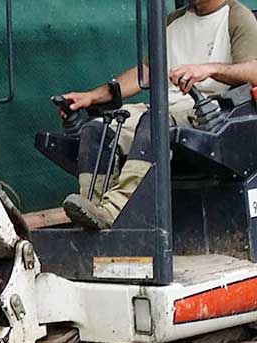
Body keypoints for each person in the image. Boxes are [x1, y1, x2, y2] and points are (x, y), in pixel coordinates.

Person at [60, 0, 257, 230]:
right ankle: (93, 210)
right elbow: (148, 71)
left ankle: (116, 211)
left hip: (210, 110)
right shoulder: (174, 21)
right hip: (167, 104)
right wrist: (93, 96)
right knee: (97, 129)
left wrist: (209, 69)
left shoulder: (237, 17)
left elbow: (253, 70)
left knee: (154, 123)